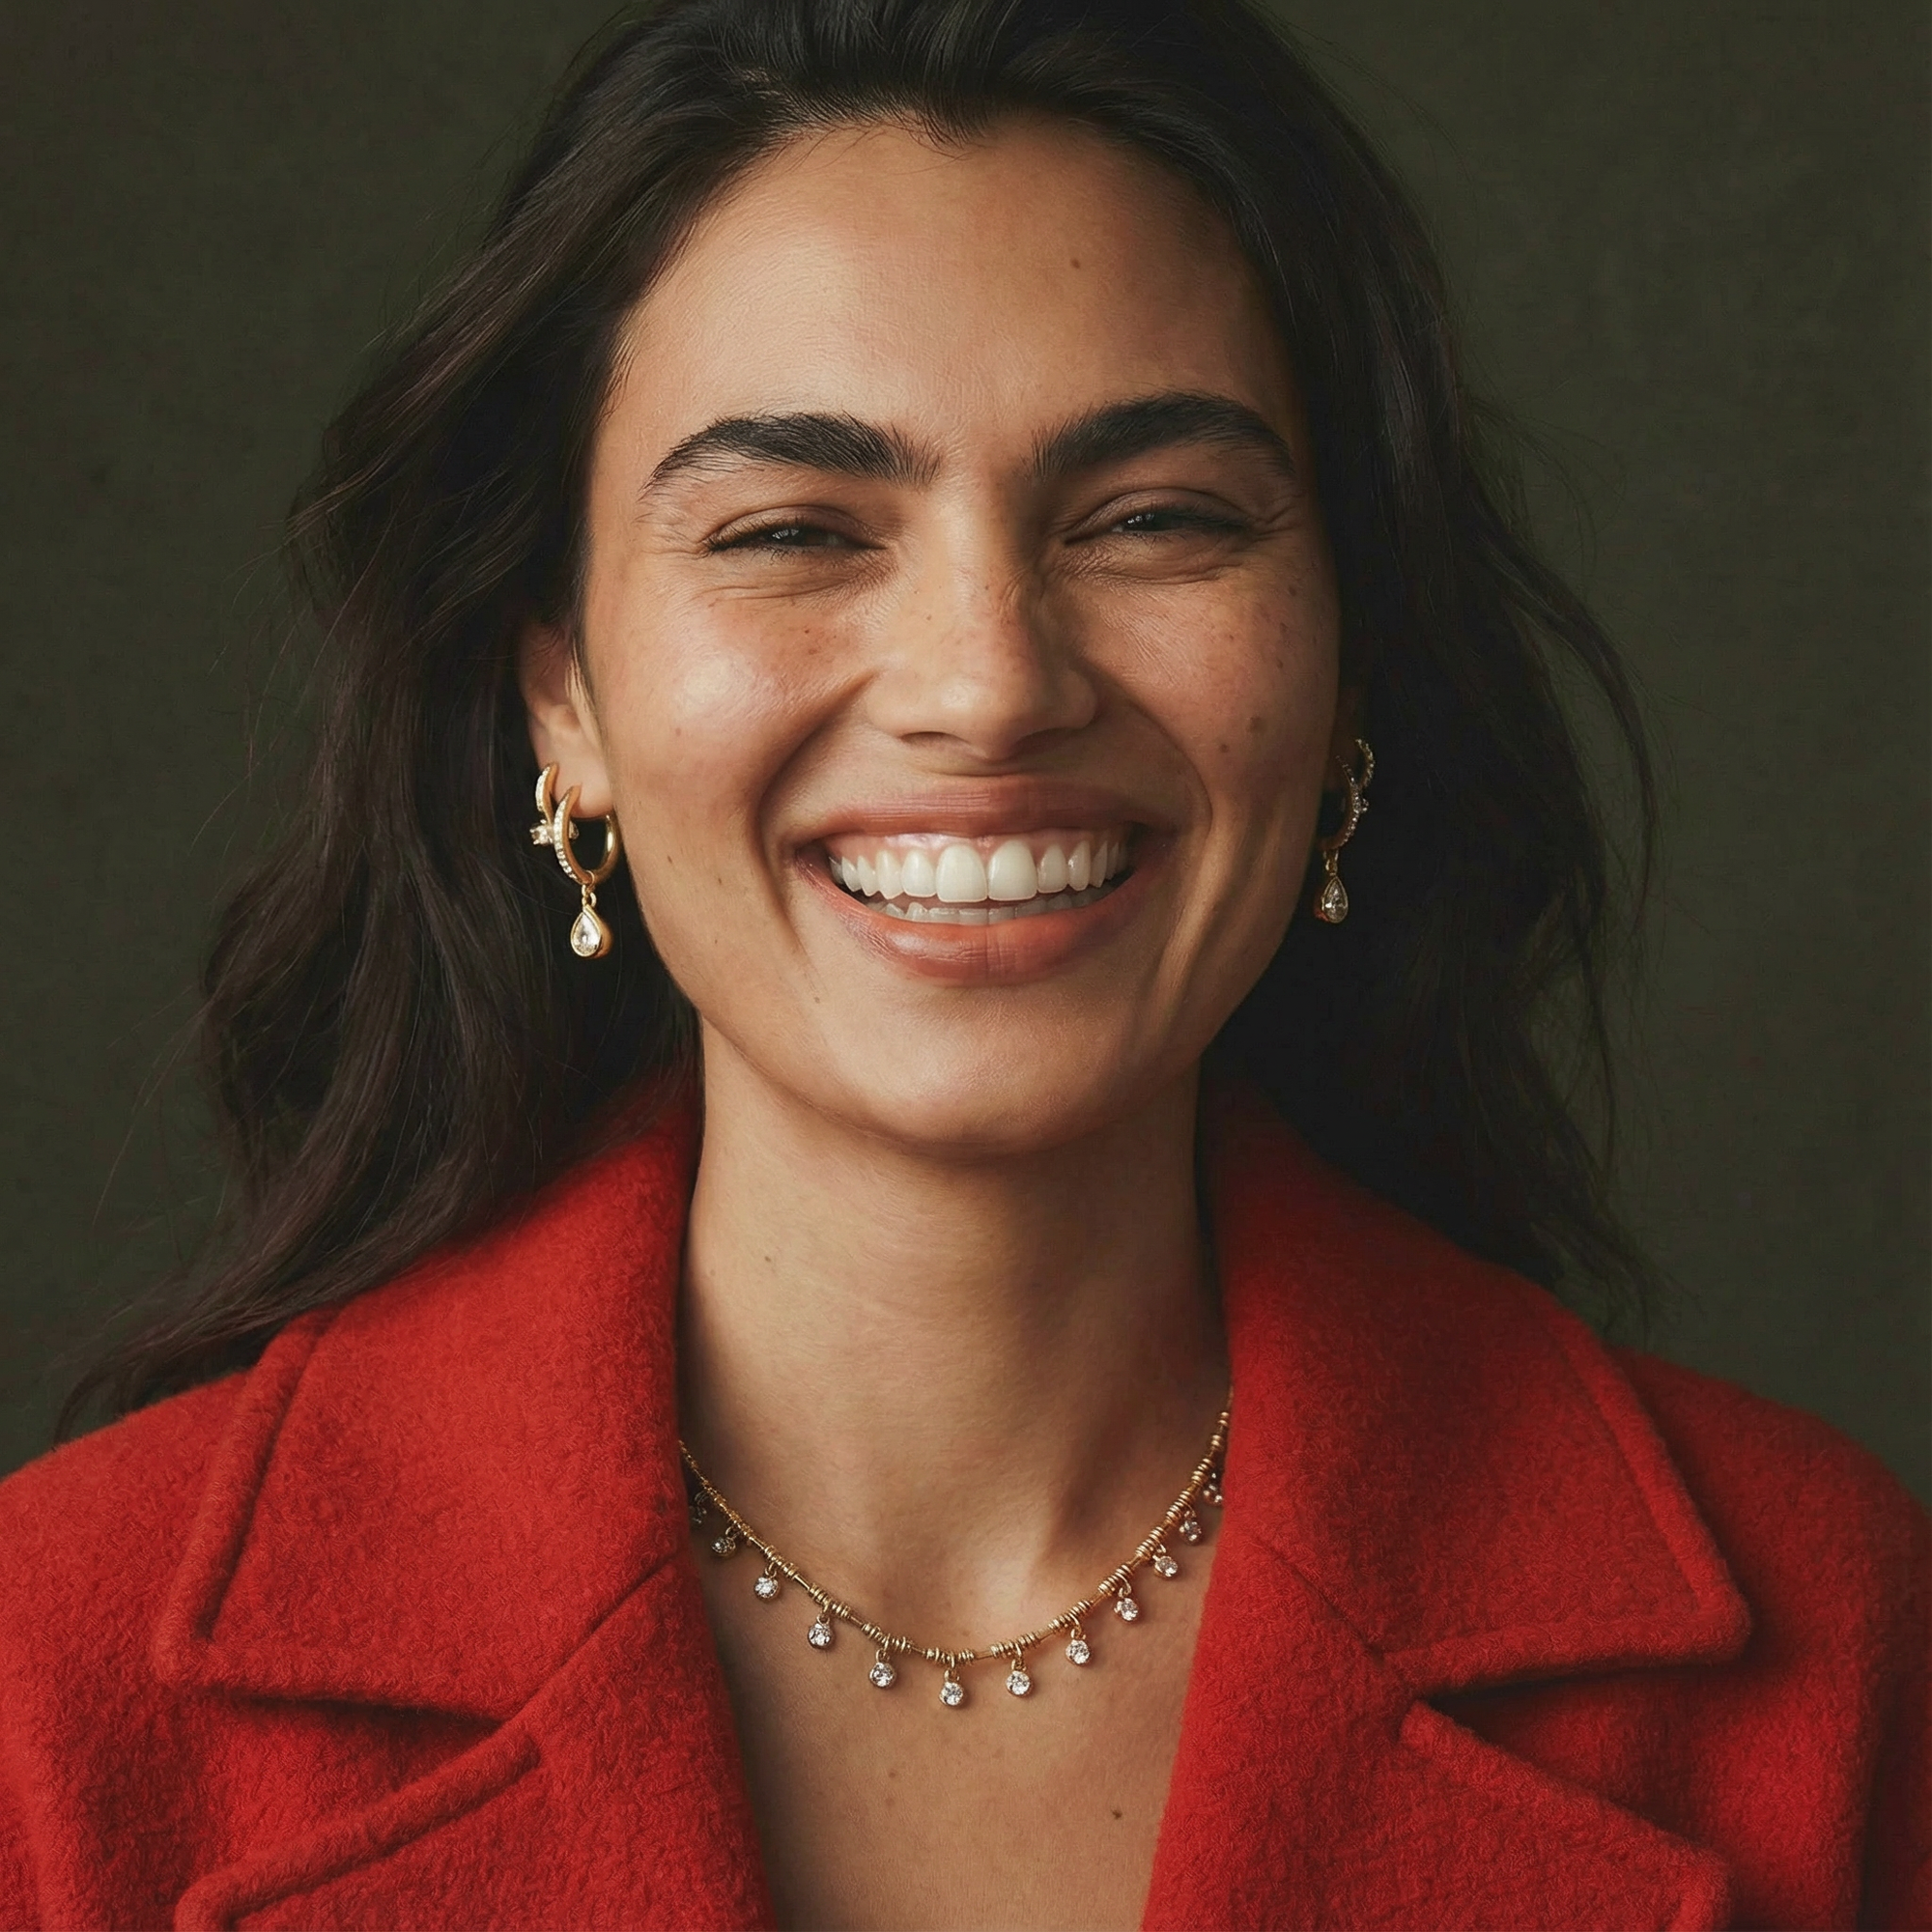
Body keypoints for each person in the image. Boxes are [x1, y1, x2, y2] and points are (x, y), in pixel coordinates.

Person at [1, 1, 1923, 1925]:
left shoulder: (1841, 1650)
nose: (991, 680)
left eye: (1157, 517)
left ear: (1347, 663)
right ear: (561, 696)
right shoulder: (48, 1682)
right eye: (791, 529)